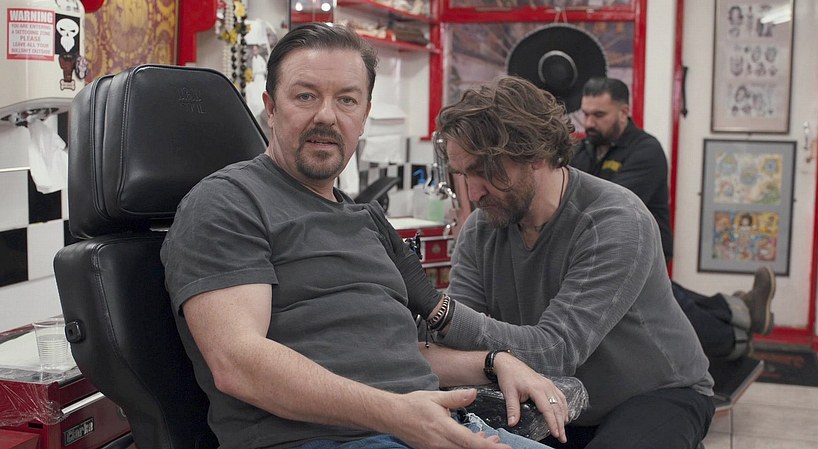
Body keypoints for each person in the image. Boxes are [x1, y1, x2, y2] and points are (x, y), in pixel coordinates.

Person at [161, 23, 570, 449]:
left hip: (430, 426)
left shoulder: (364, 219)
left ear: (364, 115)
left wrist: (492, 362)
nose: (326, 115)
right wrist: (397, 414)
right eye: (305, 96)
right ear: (271, 107)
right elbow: (238, 363)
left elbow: (388, 354)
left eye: (346, 99)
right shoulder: (227, 203)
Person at [399, 76, 715, 448]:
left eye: (485, 171)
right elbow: (458, 344)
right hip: (556, 394)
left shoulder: (615, 221)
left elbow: (555, 350)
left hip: (655, 393)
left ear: (536, 155)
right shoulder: (481, 230)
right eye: (464, 173)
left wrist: (439, 310)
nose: (474, 192)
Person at [571, 77, 775, 361]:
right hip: (603, 245)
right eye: (585, 114)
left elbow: (609, 204)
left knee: (665, 311)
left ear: (624, 112)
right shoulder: (584, 149)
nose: (589, 123)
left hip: (644, 245)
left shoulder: (646, 150)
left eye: (599, 115)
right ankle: (739, 309)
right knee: (671, 297)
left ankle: (732, 340)